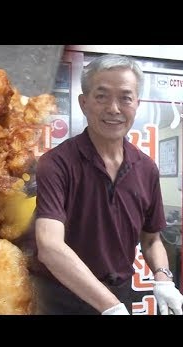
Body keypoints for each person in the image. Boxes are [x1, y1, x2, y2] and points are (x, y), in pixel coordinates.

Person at [29, 54, 183, 315]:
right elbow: (50, 246)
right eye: (101, 96)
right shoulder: (56, 163)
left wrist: (163, 276)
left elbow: (152, 238)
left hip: (117, 291)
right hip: (59, 296)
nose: (114, 108)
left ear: (136, 104)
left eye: (125, 97)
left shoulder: (146, 168)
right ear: (83, 103)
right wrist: (111, 308)